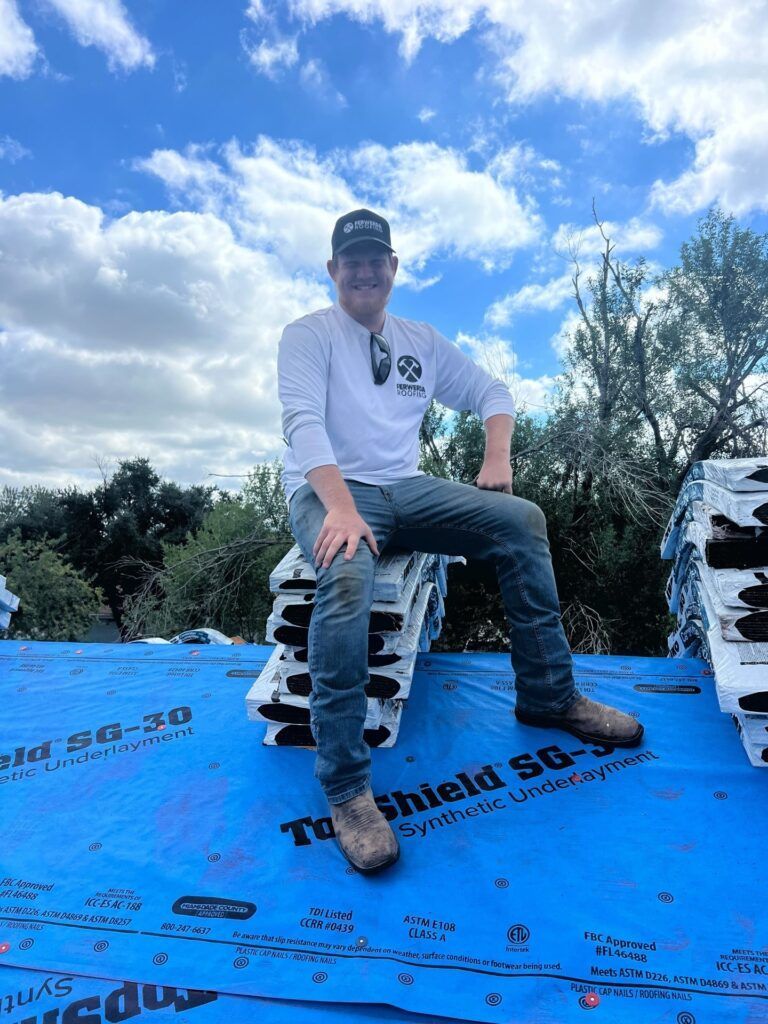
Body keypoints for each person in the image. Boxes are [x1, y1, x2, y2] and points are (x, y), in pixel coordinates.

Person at [277, 208, 643, 874]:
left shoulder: (421, 339)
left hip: (404, 488)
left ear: (393, 267)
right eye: (350, 261)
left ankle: (548, 696)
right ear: (333, 271)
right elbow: (303, 423)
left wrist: (496, 455)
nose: (363, 271)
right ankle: (345, 786)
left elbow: (491, 389)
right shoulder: (308, 336)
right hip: (329, 487)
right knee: (347, 569)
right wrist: (338, 509)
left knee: (521, 520)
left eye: (374, 259)